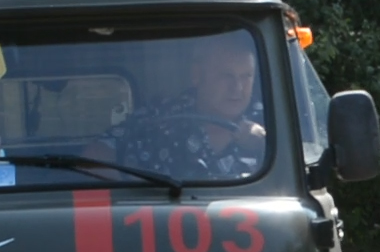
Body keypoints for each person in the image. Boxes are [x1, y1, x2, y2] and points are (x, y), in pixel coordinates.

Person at [88, 33, 267, 179]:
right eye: (226, 76)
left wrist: (264, 143)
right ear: (197, 75)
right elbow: (95, 154)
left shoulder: (271, 120)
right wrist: (124, 193)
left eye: (246, 76)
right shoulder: (160, 116)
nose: (237, 87)